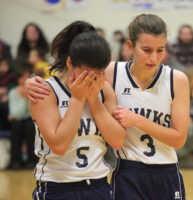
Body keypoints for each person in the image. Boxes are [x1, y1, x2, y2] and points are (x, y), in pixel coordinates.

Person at [26, 14, 189, 200]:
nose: (154, 57)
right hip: (66, 184)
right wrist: (31, 83)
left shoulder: (106, 83)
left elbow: (119, 140)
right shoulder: (112, 73)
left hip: (108, 182)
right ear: (130, 47)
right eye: (146, 49)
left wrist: (99, 102)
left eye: (160, 50)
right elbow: (60, 145)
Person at [29, 21, 126, 200]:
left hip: (99, 185)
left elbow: (118, 141)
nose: (93, 79)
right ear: (70, 63)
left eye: (99, 73)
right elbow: (59, 145)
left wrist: (94, 100)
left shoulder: (104, 90)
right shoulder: (45, 91)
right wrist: (77, 99)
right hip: (57, 188)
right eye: (88, 73)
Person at [8, 67, 36, 169]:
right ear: (18, 79)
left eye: (27, 76)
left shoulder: (35, 90)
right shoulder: (12, 92)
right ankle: (15, 161)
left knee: (30, 126)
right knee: (17, 125)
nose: (25, 79)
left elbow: (34, 113)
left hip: (30, 120)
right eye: (22, 77)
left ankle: (32, 161)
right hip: (18, 120)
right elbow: (15, 114)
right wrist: (24, 98)